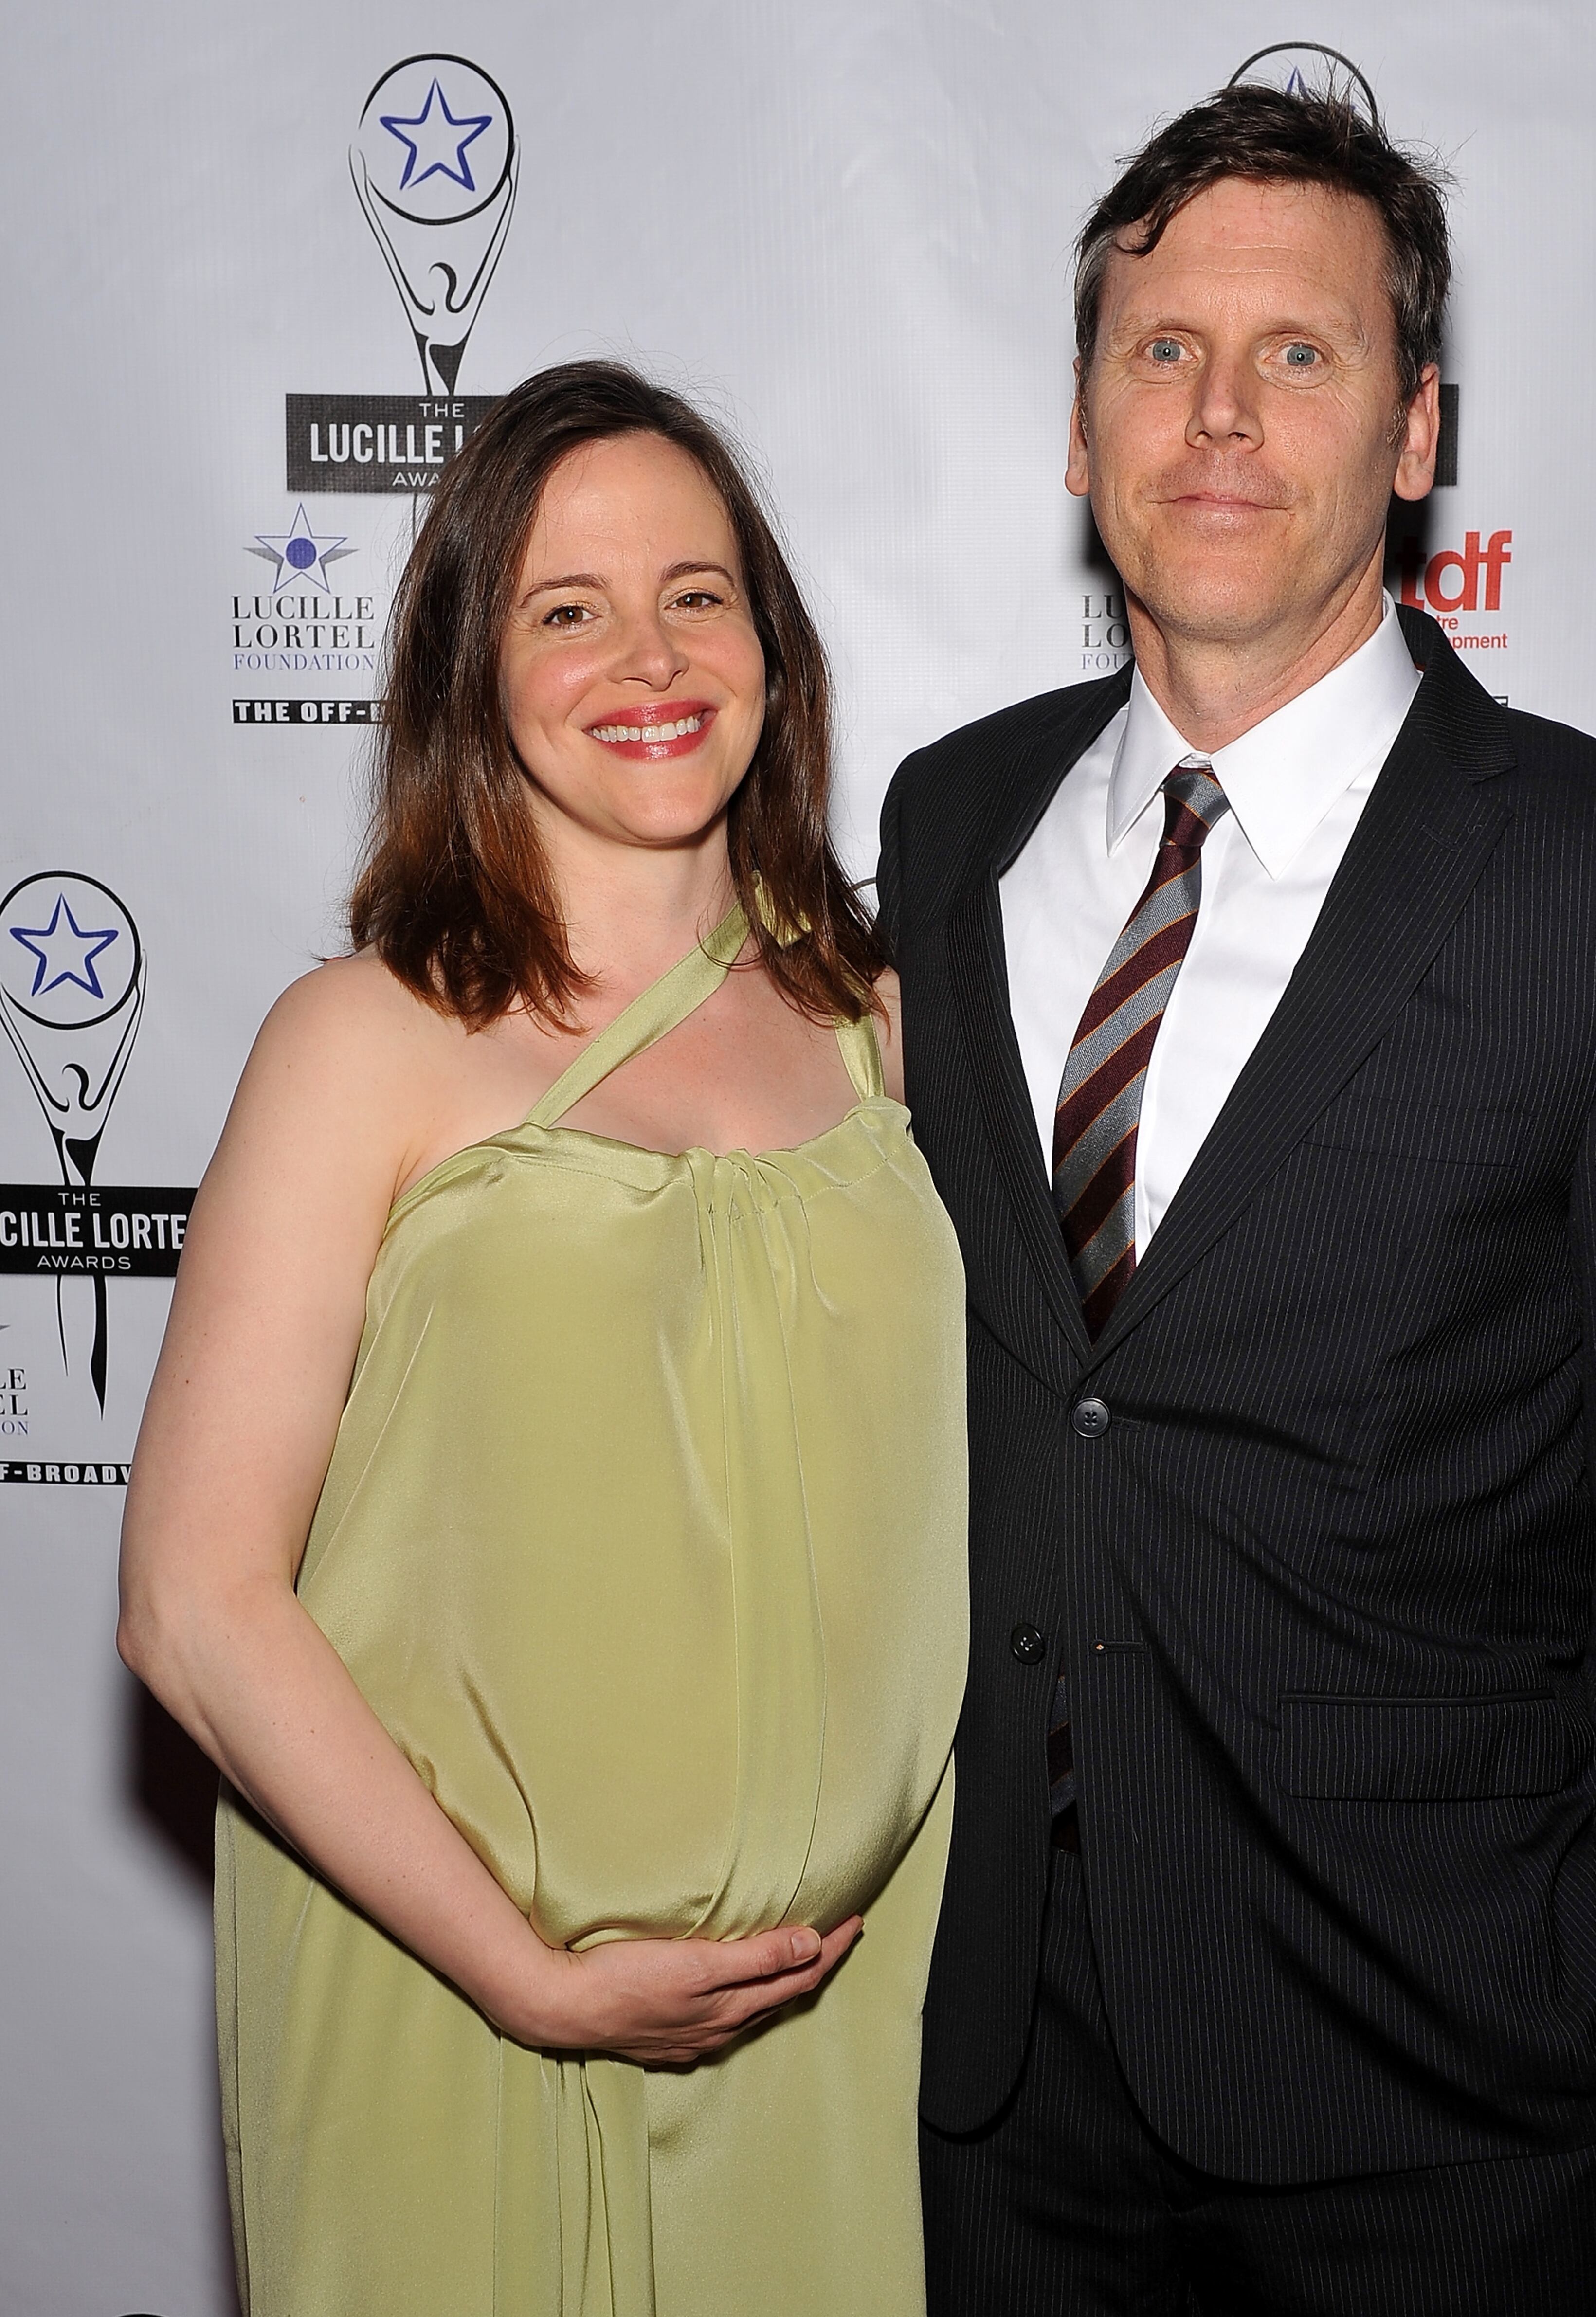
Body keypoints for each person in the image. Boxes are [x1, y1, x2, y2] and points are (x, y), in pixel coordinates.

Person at [881, 79, 1596, 2317]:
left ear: (1417, 435)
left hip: (1454, 2088)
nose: (1218, 418)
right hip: (996, 2059)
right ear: (1083, 424)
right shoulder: (944, 824)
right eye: (1159, 352)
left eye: (1299, 356)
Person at [118, 360, 969, 2317]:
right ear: (470, 673)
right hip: (458, 2018)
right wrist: (536, 1980)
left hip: (849, 2024)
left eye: (697, 592)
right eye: (565, 608)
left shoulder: (896, 1027)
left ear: (775, 640)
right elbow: (195, 1598)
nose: (648, 655)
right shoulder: (364, 1041)